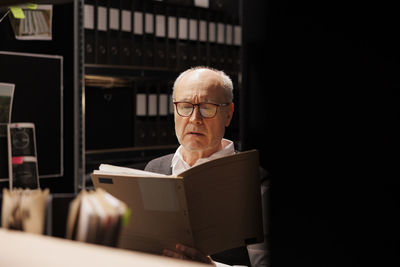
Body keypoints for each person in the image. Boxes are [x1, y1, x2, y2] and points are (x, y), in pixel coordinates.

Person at [144, 66, 269, 267]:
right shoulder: (154, 169)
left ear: (228, 114)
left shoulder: (255, 182)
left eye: (207, 107)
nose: (195, 119)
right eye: (185, 106)